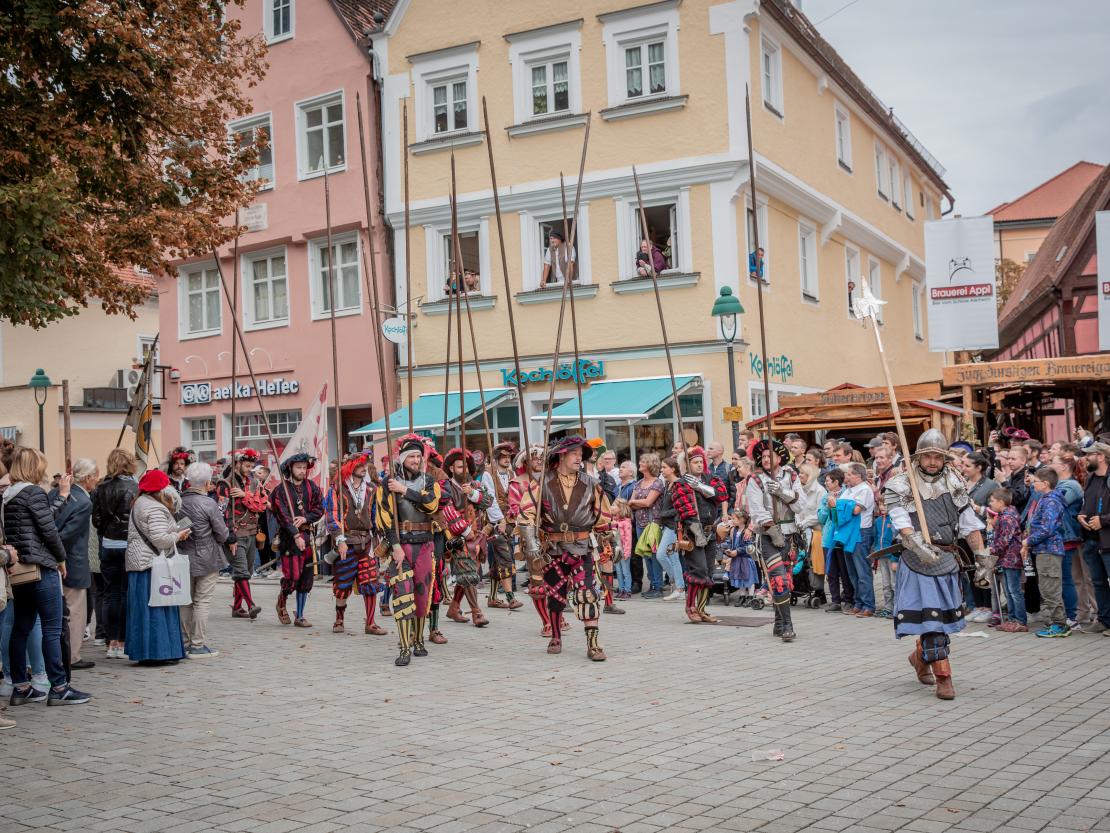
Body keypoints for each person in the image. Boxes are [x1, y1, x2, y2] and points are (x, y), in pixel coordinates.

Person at [883, 430, 990, 701]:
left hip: (947, 559)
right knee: (933, 621)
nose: (932, 461)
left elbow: (968, 523)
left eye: (937, 457)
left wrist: (981, 558)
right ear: (918, 457)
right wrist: (918, 544)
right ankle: (944, 676)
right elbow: (900, 522)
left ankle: (920, 657)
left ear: (944, 458)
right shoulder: (901, 484)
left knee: (941, 620)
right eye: (927, 456)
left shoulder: (954, 481)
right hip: (917, 560)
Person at [3, 447, 90, 705]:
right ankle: (60, 687)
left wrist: (61, 496)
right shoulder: (33, 492)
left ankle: (20, 686)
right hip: (41, 567)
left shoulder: (8, 494)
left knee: (21, 628)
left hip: (20, 571)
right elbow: (49, 530)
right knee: (52, 628)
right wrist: (60, 559)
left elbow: (40, 520)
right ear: (34, 467)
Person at [516, 436, 614, 660]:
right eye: (575, 454)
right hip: (553, 548)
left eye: (581, 454)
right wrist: (531, 544)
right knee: (556, 595)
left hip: (582, 547)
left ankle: (593, 644)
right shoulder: (541, 483)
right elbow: (526, 515)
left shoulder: (591, 483)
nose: (579, 458)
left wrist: (610, 541)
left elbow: (603, 516)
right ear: (561, 456)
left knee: (588, 594)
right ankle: (556, 636)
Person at [375, 435, 441, 666]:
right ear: (402, 459)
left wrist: (404, 490)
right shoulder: (387, 484)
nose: (415, 460)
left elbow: (432, 504)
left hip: (425, 543)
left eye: (418, 456)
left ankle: (418, 640)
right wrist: (394, 546)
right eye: (411, 456)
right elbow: (384, 517)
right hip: (401, 545)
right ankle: (404, 647)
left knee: (423, 595)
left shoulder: (429, 481)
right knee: (403, 595)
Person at [125, 470, 190, 665]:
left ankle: (146, 652)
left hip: (141, 563)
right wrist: (179, 535)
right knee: (157, 610)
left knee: (143, 612)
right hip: (151, 565)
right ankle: (158, 653)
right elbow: (160, 540)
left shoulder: (140, 502)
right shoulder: (155, 508)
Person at [325, 452, 387, 637]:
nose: (364, 467)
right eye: (360, 464)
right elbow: (331, 515)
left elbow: (376, 515)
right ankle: (339, 618)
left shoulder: (372, 489)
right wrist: (339, 539)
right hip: (347, 541)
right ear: (350, 466)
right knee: (342, 585)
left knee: (370, 583)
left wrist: (381, 537)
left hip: (367, 543)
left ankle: (370, 623)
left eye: (365, 464)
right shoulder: (337, 489)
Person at [744, 439, 801, 641]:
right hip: (768, 535)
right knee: (776, 578)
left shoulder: (791, 475)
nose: (766, 459)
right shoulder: (755, 479)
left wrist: (781, 492)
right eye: (763, 456)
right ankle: (787, 625)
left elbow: (799, 505)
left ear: (779, 457)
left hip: (789, 532)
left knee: (785, 580)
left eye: (770, 456)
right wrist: (770, 527)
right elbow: (756, 509)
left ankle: (778, 622)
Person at [50, 458, 98, 671]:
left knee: (59, 611)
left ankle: (61, 654)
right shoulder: (84, 502)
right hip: (71, 561)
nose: (96, 480)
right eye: (95, 476)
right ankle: (72, 656)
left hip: (53, 559)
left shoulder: (55, 493)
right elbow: (68, 535)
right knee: (75, 610)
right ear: (88, 478)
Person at [670, 446, 728, 624]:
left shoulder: (711, 478)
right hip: (692, 534)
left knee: (708, 572)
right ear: (687, 465)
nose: (699, 465)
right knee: (699, 571)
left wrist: (701, 486)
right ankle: (690, 607)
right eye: (695, 462)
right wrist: (695, 530)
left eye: (700, 461)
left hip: (711, 531)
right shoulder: (681, 483)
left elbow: (721, 495)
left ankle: (702, 609)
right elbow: (684, 509)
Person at [177, 462, 230, 658]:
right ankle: (197, 645)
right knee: (202, 602)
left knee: (185, 601)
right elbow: (222, 534)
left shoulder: (178, 501)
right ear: (207, 482)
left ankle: (183, 642)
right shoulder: (209, 504)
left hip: (183, 556)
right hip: (207, 557)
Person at [91, 448, 138, 660]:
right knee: (127, 593)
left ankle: (111, 642)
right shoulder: (134, 486)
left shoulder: (101, 487)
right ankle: (124, 640)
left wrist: (106, 532)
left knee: (110, 594)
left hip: (108, 544)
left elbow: (97, 520)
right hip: (127, 543)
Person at [440, 448, 493, 629]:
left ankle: (454, 608)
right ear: (452, 469)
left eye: (466, 467)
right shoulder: (446, 486)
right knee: (469, 573)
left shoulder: (475, 485)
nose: (464, 470)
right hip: (458, 538)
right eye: (459, 467)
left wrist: (471, 493)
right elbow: (448, 511)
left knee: (466, 574)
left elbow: (488, 501)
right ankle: (477, 612)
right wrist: (464, 529)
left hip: (478, 537)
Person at [269, 453, 323, 628]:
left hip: (309, 537)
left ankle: (300, 616)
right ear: (290, 468)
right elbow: (282, 515)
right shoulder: (281, 490)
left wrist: (306, 518)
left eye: (303, 467)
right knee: (293, 576)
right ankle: (282, 600)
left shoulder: (312, 487)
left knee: (306, 579)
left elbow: (320, 508)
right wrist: (295, 534)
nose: (302, 471)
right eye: (298, 467)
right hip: (289, 539)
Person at [215, 448, 266, 620]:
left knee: (246, 572)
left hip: (251, 532)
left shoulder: (255, 483)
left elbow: (261, 506)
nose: (250, 467)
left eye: (252, 465)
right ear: (237, 463)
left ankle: (237, 608)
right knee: (242, 571)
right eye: (246, 464)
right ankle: (251, 605)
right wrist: (229, 536)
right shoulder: (225, 484)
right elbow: (221, 513)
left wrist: (245, 496)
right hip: (235, 534)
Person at [1024, 468, 1069, 638]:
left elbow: (1047, 528)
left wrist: (1028, 541)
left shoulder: (1052, 502)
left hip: (1050, 550)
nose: (1033, 484)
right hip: (1042, 550)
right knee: (1045, 587)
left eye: (1035, 482)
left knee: (1050, 588)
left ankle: (1060, 624)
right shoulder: (1045, 498)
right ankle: (1052, 622)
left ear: (1045, 484)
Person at [484, 441, 522, 612]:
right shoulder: (488, 474)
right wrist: (500, 520)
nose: (507, 459)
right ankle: (510, 597)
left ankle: (492, 597)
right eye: (504, 456)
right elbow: (489, 499)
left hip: (511, 521)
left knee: (497, 560)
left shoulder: (512, 473)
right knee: (505, 556)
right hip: (495, 521)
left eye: (509, 456)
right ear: (497, 457)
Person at [1050, 454, 1086, 629]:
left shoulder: (1071, 486)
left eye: (1054, 462)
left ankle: (1072, 616)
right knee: (1060, 578)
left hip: (1066, 536)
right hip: (1057, 537)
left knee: (1066, 578)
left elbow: (1056, 503)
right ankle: (1065, 613)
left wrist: (1043, 487)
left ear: (1064, 467)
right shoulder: (1058, 485)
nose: (1050, 465)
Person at [1078, 443, 1110, 636]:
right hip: (1091, 539)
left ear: (1100, 456)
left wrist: (1104, 520)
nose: (1085, 459)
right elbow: (1087, 502)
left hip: (1107, 539)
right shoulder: (1091, 478)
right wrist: (1081, 515)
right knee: (1098, 582)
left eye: (1089, 455)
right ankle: (1104, 620)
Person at [841, 462, 877, 618]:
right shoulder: (848, 490)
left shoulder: (864, 490)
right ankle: (858, 602)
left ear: (858, 475)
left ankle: (868, 604)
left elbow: (855, 510)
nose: (846, 477)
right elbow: (836, 508)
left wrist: (840, 505)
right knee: (852, 571)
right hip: (848, 532)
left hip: (861, 531)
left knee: (862, 570)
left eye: (849, 474)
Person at [989, 488, 1027, 632]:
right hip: (1005, 559)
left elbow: (1004, 539)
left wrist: (993, 551)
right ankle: (1011, 619)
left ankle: (1020, 620)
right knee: (1009, 590)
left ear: (1000, 502)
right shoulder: (1005, 514)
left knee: (1014, 590)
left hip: (1011, 558)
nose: (990, 504)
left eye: (992, 501)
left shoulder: (1007, 517)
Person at [628, 454, 665, 598]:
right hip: (640, 524)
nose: (640, 463)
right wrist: (636, 502)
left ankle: (658, 586)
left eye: (643, 461)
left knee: (654, 556)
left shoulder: (657, 483)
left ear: (650, 464)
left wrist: (635, 502)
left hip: (653, 524)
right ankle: (652, 584)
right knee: (646, 555)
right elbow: (632, 501)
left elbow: (648, 503)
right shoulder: (639, 483)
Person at [653, 457, 686, 602]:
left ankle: (679, 586)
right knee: (673, 558)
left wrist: (662, 514)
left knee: (662, 555)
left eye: (664, 467)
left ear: (673, 469)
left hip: (674, 526)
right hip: (667, 525)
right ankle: (679, 587)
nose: (662, 470)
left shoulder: (679, 484)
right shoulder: (668, 484)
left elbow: (679, 508)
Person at [612, 499, 634, 601]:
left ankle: (627, 590)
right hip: (616, 551)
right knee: (619, 572)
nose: (612, 507)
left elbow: (628, 539)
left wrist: (626, 552)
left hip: (623, 551)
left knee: (625, 571)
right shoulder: (613, 521)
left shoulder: (626, 523)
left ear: (620, 508)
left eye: (614, 505)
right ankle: (621, 590)